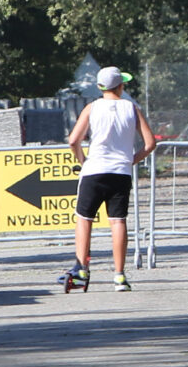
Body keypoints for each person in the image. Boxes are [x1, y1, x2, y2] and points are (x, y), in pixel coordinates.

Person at [63, 66, 157, 291]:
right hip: (120, 172)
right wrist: (132, 160)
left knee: (84, 218)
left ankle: (81, 271)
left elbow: (73, 140)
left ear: (99, 87)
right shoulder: (131, 108)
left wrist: (82, 160)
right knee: (118, 221)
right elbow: (150, 143)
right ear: (121, 86)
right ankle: (119, 275)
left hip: (94, 169)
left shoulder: (92, 108)